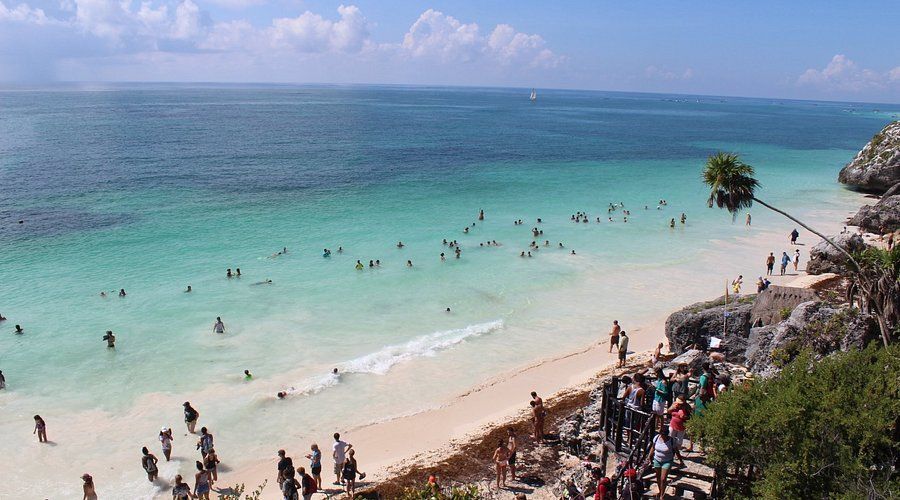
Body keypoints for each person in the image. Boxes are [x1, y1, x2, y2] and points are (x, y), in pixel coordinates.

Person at [649, 426, 681, 499]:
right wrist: (650, 456)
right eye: (662, 434)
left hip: (667, 461)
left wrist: (680, 460)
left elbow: (676, 451)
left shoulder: (671, 441)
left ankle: (662, 495)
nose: (664, 436)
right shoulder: (656, 438)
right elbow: (653, 447)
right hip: (657, 459)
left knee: (663, 478)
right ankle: (660, 491)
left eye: (665, 434)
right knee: (658, 477)